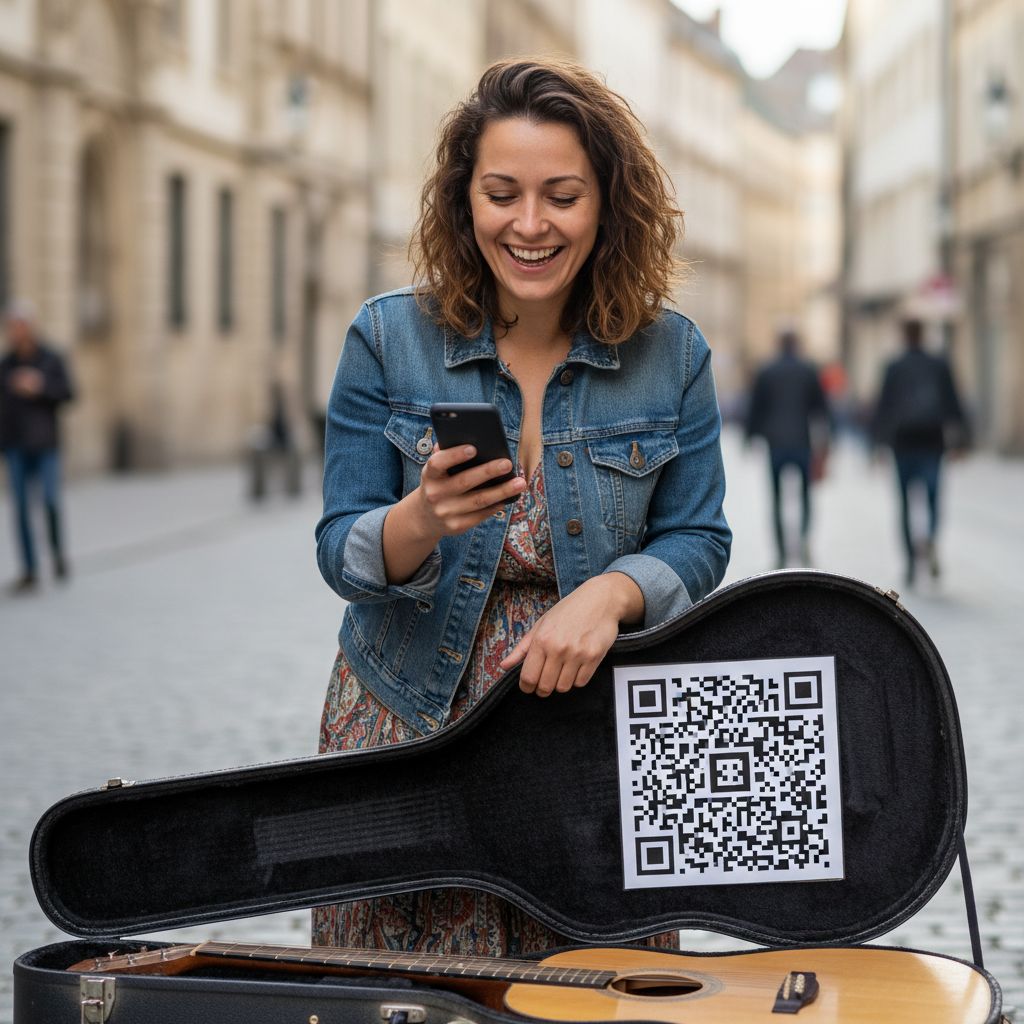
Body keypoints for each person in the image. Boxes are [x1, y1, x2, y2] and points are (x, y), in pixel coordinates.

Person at [313, 57, 732, 956]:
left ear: (607, 206)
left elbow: (699, 537)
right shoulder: (387, 338)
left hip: (594, 741)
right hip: (406, 725)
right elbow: (337, 548)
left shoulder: (673, 354)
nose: (530, 224)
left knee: (600, 994)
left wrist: (612, 595)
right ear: (465, 200)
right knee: (405, 996)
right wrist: (419, 519)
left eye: (563, 196)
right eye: (502, 193)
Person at [871, 317, 969, 586]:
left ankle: (911, 563)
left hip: (902, 444)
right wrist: (962, 442)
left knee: (904, 504)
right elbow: (953, 402)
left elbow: (883, 406)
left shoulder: (894, 367)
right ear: (923, 334)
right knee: (933, 499)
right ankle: (931, 541)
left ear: (904, 334)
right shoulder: (939, 364)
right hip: (932, 442)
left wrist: (877, 445)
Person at [0, 301, 75, 592]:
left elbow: (68, 393)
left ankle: (57, 555)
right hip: (16, 445)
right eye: (11, 327)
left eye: (20, 326)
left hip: (45, 445)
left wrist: (39, 386)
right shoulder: (6, 365)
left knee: (49, 501)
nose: (16, 332)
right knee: (20, 509)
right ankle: (29, 569)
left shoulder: (50, 359)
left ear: (30, 328)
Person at [744, 329, 829, 568]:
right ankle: (802, 541)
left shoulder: (767, 371)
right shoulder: (808, 370)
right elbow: (821, 409)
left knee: (776, 499)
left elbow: (755, 407)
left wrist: (749, 437)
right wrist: (826, 443)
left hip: (775, 443)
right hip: (802, 441)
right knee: (805, 497)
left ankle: (781, 550)